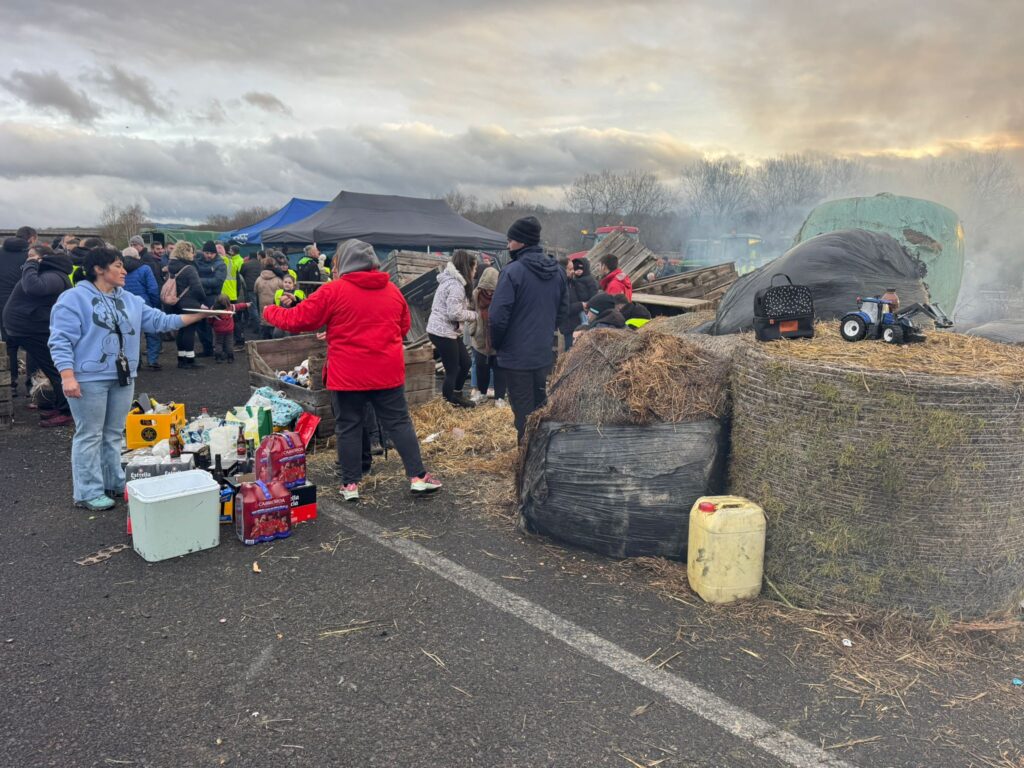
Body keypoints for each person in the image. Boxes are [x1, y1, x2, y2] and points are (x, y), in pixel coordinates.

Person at [263, 239, 442, 501]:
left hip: (347, 374)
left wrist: (270, 311)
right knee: (399, 423)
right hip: (386, 373)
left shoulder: (333, 291)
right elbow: (402, 328)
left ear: (343, 263)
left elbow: (297, 319)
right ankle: (418, 476)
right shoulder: (393, 291)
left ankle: (350, 485)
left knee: (348, 426)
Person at [49, 247, 206, 510]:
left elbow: (160, 321)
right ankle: (87, 491)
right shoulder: (73, 298)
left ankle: (113, 480)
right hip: (88, 378)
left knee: (113, 433)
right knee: (89, 434)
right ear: (99, 269)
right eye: (118, 266)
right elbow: (60, 339)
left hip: (123, 376)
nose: (124, 271)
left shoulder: (130, 300)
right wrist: (67, 375)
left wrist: (200, 316)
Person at [489, 216, 568, 441]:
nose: (507, 245)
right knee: (539, 406)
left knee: (523, 412)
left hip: (516, 356)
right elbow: (561, 312)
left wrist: (498, 345)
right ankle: (540, 450)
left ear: (521, 242)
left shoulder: (512, 271)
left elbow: (497, 317)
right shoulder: (558, 272)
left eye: (510, 240)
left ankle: (526, 459)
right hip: (542, 353)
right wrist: (543, 333)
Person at [2, 243, 74, 426]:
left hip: (33, 329)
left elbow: (34, 288)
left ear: (42, 258)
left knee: (54, 368)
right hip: (28, 328)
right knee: (51, 368)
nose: (28, 259)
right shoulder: (49, 273)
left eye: (32, 256)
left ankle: (66, 411)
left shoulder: (53, 276)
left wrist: (30, 265)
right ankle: (61, 405)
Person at [427, 250, 478, 408]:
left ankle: (456, 394)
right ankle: (447, 402)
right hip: (442, 332)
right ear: (467, 268)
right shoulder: (456, 285)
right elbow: (454, 313)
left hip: (447, 330)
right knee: (453, 369)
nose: (475, 272)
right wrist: (474, 315)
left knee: (466, 362)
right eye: (474, 268)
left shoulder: (452, 281)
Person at [0, 226, 37, 396]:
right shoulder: (30, 257)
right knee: (32, 345)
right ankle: (32, 384)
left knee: (9, 346)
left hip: (3, 306)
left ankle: (11, 383)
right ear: (31, 239)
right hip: (27, 306)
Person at [165, 241, 209, 368]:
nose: (193, 254)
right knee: (189, 331)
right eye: (191, 251)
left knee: (181, 330)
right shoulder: (189, 268)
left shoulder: (172, 266)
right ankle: (190, 360)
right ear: (186, 252)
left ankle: (181, 358)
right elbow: (197, 288)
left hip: (176, 303)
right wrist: (202, 301)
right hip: (190, 304)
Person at [468, 266, 507, 408]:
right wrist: (473, 328)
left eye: (493, 290)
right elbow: (470, 310)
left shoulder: (502, 296)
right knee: (481, 367)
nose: (490, 292)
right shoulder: (475, 295)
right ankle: (482, 393)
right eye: (487, 289)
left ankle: (500, 398)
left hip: (497, 338)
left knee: (499, 369)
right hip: (480, 339)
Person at [121, 247, 163, 370]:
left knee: (132, 335)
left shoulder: (120, 270)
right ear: (137, 256)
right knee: (152, 333)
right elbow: (153, 289)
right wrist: (156, 305)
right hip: (145, 304)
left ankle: (136, 361)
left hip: (126, 306)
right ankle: (152, 360)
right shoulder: (145, 268)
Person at [559, 256, 598, 352]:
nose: (574, 271)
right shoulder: (559, 285)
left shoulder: (572, 282)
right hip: (569, 328)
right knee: (570, 354)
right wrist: (581, 305)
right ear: (563, 269)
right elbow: (563, 309)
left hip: (578, 325)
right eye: (571, 269)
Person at [195, 242, 226, 357]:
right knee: (200, 324)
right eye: (206, 253)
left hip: (213, 297)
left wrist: (198, 280)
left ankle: (219, 349)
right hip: (200, 296)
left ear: (215, 253)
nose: (208, 255)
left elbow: (217, 281)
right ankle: (207, 349)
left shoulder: (220, 264)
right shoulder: (198, 261)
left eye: (211, 253)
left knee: (213, 324)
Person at [208, 294, 250, 363]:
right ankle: (230, 357)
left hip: (218, 330)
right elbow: (239, 306)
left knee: (218, 343)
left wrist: (211, 324)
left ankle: (218, 357)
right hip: (229, 330)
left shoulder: (213, 309)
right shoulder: (231, 307)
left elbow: (210, 319)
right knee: (229, 343)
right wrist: (246, 304)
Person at [254, 257, 285, 340]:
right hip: (275, 308)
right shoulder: (278, 279)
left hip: (263, 308)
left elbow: (255, 291)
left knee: (264, 330)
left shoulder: (258, 279)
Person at [239, 250, 264, 334]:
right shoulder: (261, 264)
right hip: (261, 288)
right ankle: (257, 324)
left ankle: (257, 327)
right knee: (259, 307)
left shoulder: (245, 264)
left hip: (250, 288)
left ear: (249, 256)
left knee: (253, 308)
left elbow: (241, 275)